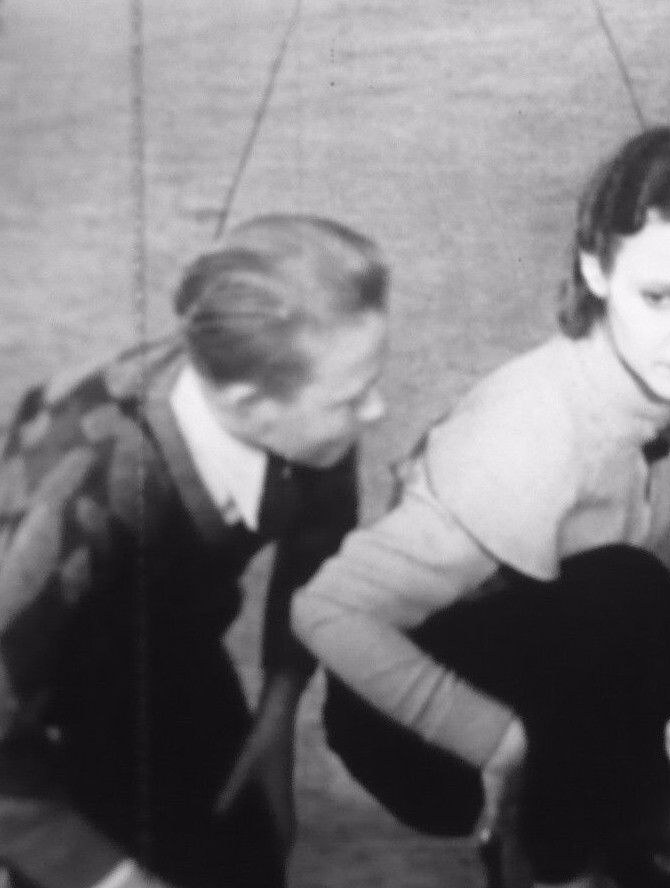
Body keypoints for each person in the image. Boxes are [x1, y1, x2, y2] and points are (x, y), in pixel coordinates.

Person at [292, 126, 670, 888]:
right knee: (630, 596)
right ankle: (553, 846)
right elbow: (328, 613)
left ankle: (615, 837)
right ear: (595, 267)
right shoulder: (530, 435)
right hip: (412, 726)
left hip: (557, 665)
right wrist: (500, 743)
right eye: (659, 297)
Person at [0, 215, 390, 888]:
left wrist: (277, 709)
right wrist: (114, 880)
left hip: (166, 646)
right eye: (352, 398)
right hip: (38, 696)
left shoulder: (309, 412)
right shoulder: (78, 498)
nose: (375, 411)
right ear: (248, 403)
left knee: (247, 863)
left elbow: (318, 543)